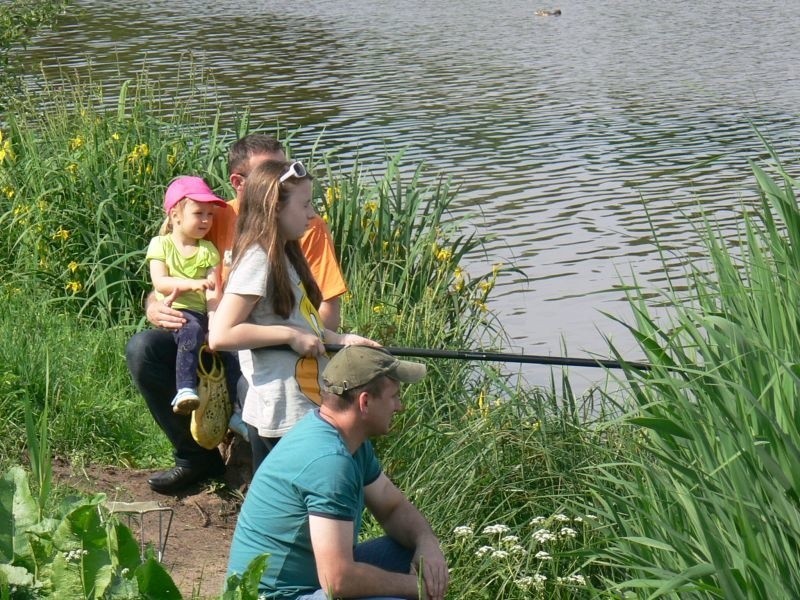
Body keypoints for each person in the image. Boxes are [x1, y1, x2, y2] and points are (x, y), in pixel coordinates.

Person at [126, 134, 347, 494]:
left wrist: (314, 342)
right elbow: (167, 273)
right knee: (143, 349)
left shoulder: (306, 226)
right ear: (240, 183)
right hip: (216, 333)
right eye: (270, 174)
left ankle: (245, 437)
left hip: (264, 345)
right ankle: (195, 457)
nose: (280, 181)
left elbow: (327, 305)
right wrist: (154, 304)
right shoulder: (214, 216)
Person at [226, 345, 449, 600]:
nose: (400, 406)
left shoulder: (346, 439)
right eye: (395, 396)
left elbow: (392, 507)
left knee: (410, 551)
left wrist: (426, 542)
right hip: (273, 595)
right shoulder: (330, 462)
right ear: (365, 402)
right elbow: (338, 581)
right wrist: (418, 588)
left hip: (311, 581)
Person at [208, 159, 379, 472]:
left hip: (301, 408)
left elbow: (303, 326)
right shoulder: (258, 259)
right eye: (304, 205)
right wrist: (289, 337)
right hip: (280, 414)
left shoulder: (285, 254)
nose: (312, 214)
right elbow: (221, 335)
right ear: (275, 207)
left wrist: (343, 340)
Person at [146, 176, 227, 414]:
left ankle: (235, 410)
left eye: (210, 214)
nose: (206, 220)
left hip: (201, 313)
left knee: (230, 351)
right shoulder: (161, 244)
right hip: (176, 311)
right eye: (199, 213)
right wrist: (192, 284)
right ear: (175, 215)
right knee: (190, 330)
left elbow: (214, 291)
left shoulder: (208, 250)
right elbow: (160, 283)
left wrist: (215, 323)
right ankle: (185, 389)